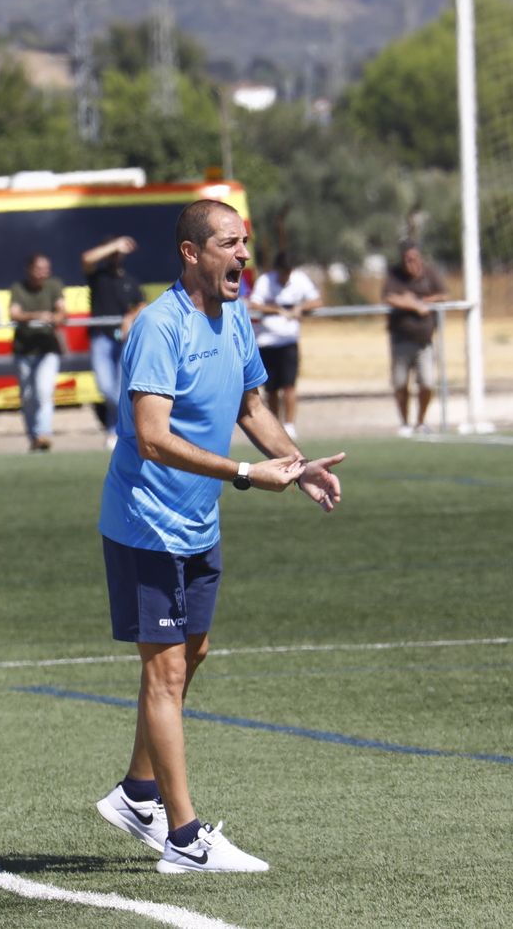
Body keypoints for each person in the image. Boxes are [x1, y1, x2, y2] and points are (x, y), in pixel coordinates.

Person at [94, 198, 345, 875]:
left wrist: (296, 467)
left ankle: (136, 793)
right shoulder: (159, 326)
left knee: (193, 652)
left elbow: (251, 406)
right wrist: (243, 472)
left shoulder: (234, 316)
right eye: (230, 244)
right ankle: (184, 839)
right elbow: (149, 437)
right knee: (166, 669)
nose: (244, 256)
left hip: (197, 522)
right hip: (146, 525)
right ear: (190, 252)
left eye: (246, 243)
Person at [81, 234, 147, 450]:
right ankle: (130, 423)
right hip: (101, 337)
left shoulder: (130, 280)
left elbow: (143, 304)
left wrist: (131, 316)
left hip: (124, 339)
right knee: (105, 386)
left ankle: (113, 431)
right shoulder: (98, 276)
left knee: (120, 387)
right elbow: (87, 259)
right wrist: (113, 245)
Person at [249, 251, 323, 440]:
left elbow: (317, 301)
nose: (286, 275)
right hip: (266, 342)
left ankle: (290, 426)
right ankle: (275, 424)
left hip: (289, 342)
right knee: (271, 388)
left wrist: (300, 308)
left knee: (289, 386)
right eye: (283, 271)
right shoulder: (265, 281)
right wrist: (277, 310)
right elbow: (254, 305)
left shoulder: (300, 280)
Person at [381, 240, 447, 436]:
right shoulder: (394, 275)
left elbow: (444, 295)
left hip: (424, 340)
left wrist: (421, 300)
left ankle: (421, 422)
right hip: (401, 340)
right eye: (408, 260)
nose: (412, 263)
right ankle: (404, 423)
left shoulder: (430, 273)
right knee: (400, 383)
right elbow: (389, 297)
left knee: (427, 383)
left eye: (415, 259)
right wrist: (413, 306)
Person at [8, 252, 67, 452]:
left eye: (46, 269)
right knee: (27, 396)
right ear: (30, 270)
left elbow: (62, 311)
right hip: (24, 349)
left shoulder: (54, 285)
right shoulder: (18, 288)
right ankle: (33, 436)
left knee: (43, 391)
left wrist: (56, 317)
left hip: (47, 348)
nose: (43, 273)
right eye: (39, 269)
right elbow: (14, 313)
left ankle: (44, 434)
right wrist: (37, 316)